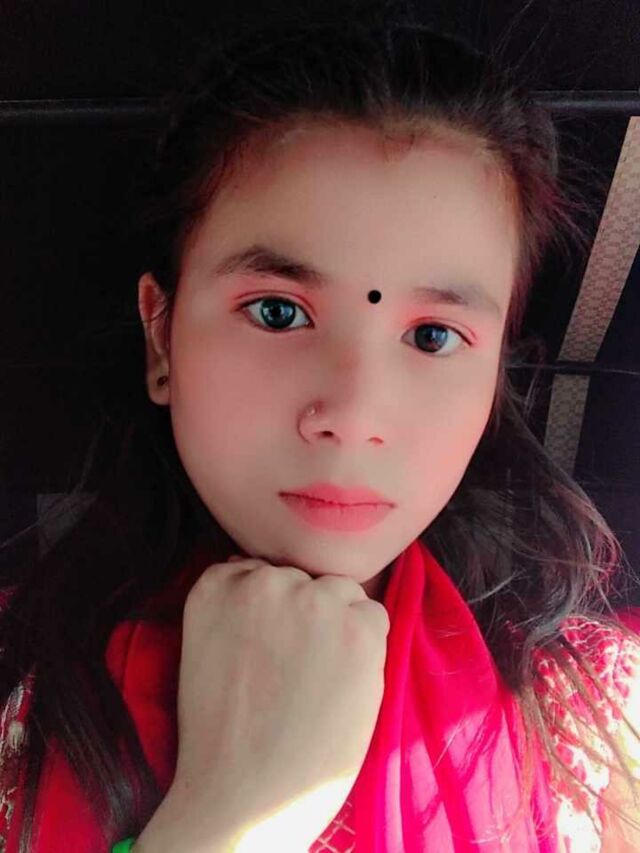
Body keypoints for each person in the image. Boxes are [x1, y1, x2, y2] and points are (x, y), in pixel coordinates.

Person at [0, 1, 639, 850]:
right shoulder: (16, 681)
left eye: (433, 336)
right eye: (277, 311)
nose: (351, 416)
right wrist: (230, 815)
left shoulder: (604, 720)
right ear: (161, 336)